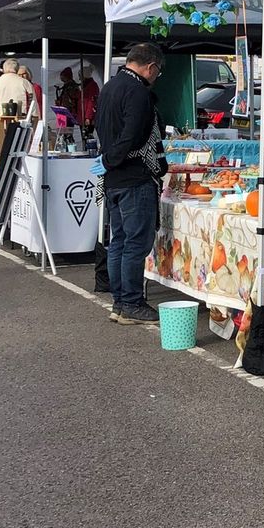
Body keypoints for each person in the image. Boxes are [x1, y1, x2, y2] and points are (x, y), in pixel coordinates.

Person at [96, 42, 167, 325]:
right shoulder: (138, 92)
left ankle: (119, 302)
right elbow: (132, 136)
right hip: (133, 176)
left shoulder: (110, 86)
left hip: (113, 178)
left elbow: (102, 128)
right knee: (135, 244)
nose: (155, 78)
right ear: (150, 67)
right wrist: (113, 159)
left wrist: (106, 161)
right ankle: (132, 303)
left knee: (119, 243)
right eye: (157, 73)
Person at [0, 57, 33, 129]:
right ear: (17, 69)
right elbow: (33, 105)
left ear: (4, 69)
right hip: (22, 125)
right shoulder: (25, 83)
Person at [80, 64, 99, 130]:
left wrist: (88, 117)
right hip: (84, 116)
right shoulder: (86, 86)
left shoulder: (92, 86)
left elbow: (92, 102)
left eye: (80, 76)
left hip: (88, 117)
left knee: (88, 136)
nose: (79, 78)